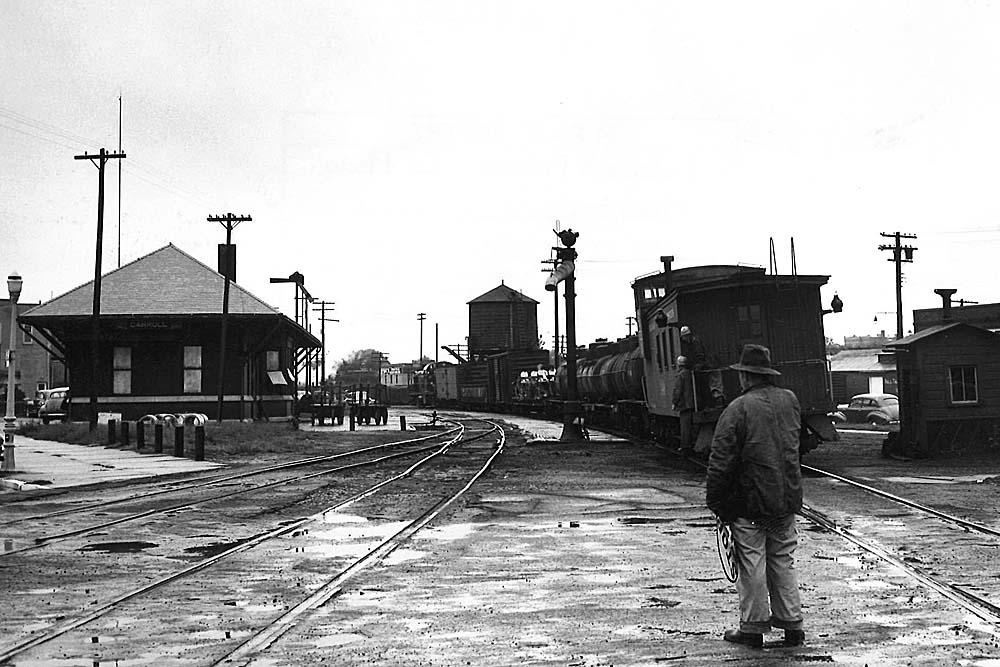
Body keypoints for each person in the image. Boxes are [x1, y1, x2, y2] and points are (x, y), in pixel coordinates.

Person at [705, 344, 805, 649]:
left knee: (752, 562)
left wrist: (717, 501)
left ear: (745, 376)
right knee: (782, 560)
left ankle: (752, 628)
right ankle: (792, 625)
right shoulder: (790, 400)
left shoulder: (738, 408)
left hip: (750, 503)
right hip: (785, 499)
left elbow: (721, 459)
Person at [671, 355, 695, 453]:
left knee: (685, 426)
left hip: (684, 404)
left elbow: (678, 390)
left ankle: (685, 446)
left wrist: (674, 402)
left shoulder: (681, 375)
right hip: (692, 403)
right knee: (689, 425)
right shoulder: (689, 373)